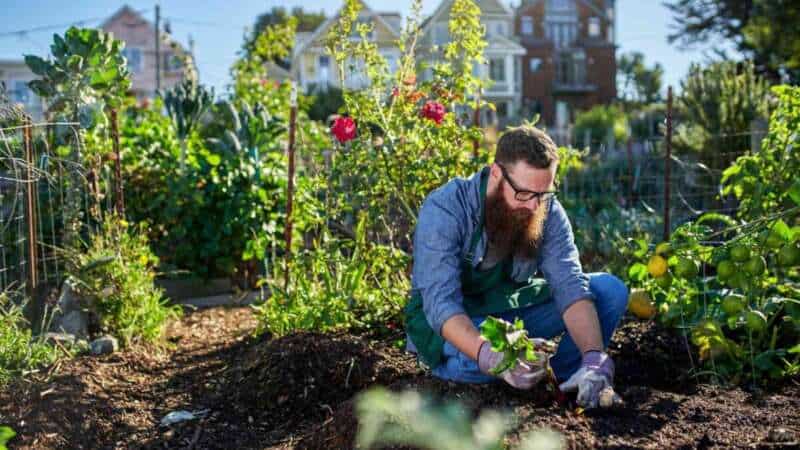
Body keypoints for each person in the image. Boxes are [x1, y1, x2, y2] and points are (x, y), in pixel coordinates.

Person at [404, 125, 628, 409]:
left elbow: (569, 284)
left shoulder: (546, 209)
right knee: (475, 364)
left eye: (543, 194)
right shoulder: (446, 209)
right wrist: (489, 355)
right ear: (496, 173)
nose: (535, 206)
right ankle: (479, 370)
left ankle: (567, 379)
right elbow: (441, 304)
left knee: (609, 291)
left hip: (510, 314)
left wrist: (594, 357)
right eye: (524, 194)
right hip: (457, 322)